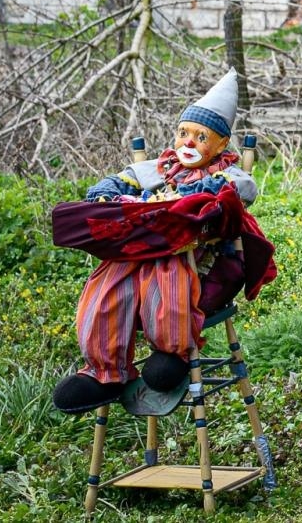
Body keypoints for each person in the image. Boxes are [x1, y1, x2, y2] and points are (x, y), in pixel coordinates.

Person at [52, 71, 259, 414]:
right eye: (183, 133)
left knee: (167, 277)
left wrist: (195, 200)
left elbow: (237, 194)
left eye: (200, 137)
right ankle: (104, 371)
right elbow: (112, 184)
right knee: (106, 285)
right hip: (134, 252)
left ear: (221, 145)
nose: (188, 143)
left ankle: (170, 351)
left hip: (191, 259)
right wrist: (110, 199)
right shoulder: (158, 168)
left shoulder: (226, 174)